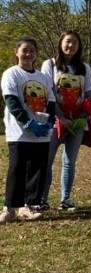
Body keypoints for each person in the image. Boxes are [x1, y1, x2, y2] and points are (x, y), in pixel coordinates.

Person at [1, 37, 55, 223]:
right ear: (17, 52)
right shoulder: (11, 74)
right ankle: (9, 209)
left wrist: (49, 123)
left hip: (41, 134)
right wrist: (27, 123)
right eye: (24, 50)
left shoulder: (43, 77)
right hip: (19, 132)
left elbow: (52, 102)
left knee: (36, 169)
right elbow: (12, 101)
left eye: (32, 50)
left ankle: (28, 206)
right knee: (17, 168)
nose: (28, 54)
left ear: (36, 54)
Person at [41, 30, 91, 211]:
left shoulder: (85, 68)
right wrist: (59, 117)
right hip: (54, 120)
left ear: (79, 46)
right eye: (67, 42)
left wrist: (84, 114)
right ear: (60, 43)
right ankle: (42, 199)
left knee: (69, 161)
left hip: (77, 121)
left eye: (74, 42)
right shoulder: (49, 65)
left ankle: (65, 199)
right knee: (46, 160)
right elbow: (47, 94)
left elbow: (89, 93)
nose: (70, 46)